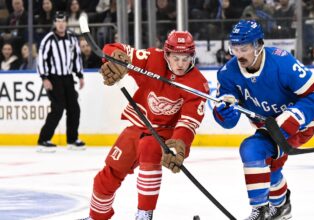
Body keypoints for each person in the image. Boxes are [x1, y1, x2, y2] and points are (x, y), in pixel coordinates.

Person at [83, 30, 208, 220]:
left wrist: (179, 144)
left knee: (149, 147)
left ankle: (144, 214)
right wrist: (116, 58)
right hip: (140, 124)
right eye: (176, 58)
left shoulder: (197, 84)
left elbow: (188, 122)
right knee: (107, 175)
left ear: (192, 56)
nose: (180, 64)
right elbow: (114, 48)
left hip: (166, 134)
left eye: (185, 58)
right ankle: (96, 217)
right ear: (166, 54)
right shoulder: (153, 59)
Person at [213, 20, 314, 220]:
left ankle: (270, 209)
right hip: (268, 129)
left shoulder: (282, 62)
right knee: (261, 159)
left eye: (244, 48)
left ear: (258, 45)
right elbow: (228, 119)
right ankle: (274, 208)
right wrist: (224, 112)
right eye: (234, 48)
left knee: (254, 150)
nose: (238, 54)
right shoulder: (228, 73)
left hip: (298, 127)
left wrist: (292, 118)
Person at [36, 11, 85, 152]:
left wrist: (80, 75)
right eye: (58, 21)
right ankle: (43, 140)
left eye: (63, 21)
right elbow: (42, 60)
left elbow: (77, 58)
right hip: (53, 78)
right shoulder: (48, 39)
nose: (61, 24)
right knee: (57, 109)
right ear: (54, 23)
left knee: (74, 108)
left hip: (68, 77)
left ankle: (72, 140)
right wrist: (44, 78)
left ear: (67, 22)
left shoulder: (72, 38)